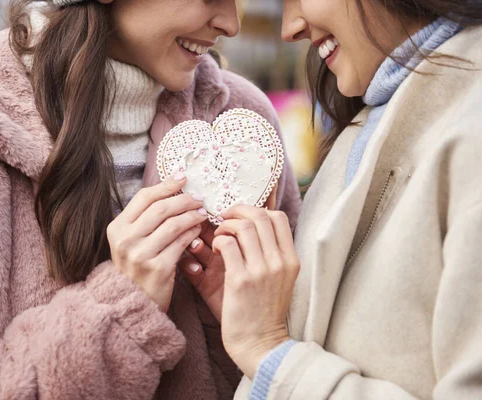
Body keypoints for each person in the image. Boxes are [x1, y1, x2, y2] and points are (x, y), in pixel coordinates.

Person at [0, 0, 301, 399]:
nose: (231, 24)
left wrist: (247, 325)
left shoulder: (244, 133)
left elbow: (295, 347)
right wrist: (121, 309)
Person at [179, 0, 482, 399]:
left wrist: (269, 351)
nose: (291, 28)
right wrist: (265, 317)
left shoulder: (468, 133)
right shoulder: (363, 125)